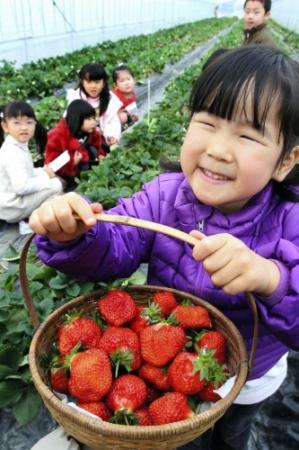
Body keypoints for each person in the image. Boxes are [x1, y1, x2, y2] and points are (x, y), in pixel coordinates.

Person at [30, 46, 299, 450]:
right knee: (185, 439)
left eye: (246, 135)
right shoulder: (164, 196)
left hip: (251, 378)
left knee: (233, 433)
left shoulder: (290, 221)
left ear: (285, 161)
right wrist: (73, 235)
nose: (218, 149)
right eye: (207, 123)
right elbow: (116, 244)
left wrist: (272, 278)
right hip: (171, 367)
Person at [0, 101, 63, 234]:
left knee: (50, 181)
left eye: (29, 122)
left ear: (35, 124)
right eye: (17, 123)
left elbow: (26, 173)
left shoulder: (17, 144)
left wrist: (43, 172)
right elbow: (21, 187)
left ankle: (34, 217)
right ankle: (30, 222)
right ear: (5, 126)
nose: (24, 127)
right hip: (12, 206)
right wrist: (47, 179)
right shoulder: (13, 153)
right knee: (56, 185)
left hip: (11, 201)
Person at [45, 100, 104, 191]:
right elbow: (53, 166)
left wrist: (100, 155)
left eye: (93, 118)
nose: (93, 122)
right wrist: (72, 163)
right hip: (65, 177)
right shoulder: (58, 137)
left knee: (92, 151)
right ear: (77, 119)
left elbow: (98, 145)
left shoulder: (90, 132)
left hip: (83, 169)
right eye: (88, 119)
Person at [66, 63, 122, 148]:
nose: (93, 86)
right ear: (82, 82)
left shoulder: (110, 99)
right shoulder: (76, 98)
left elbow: (113, 121)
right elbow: (69, 121)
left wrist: (111, 136)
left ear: (103, 83)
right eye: (88, 82)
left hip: (102, 135)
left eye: (97, 82)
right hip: (81, 136)